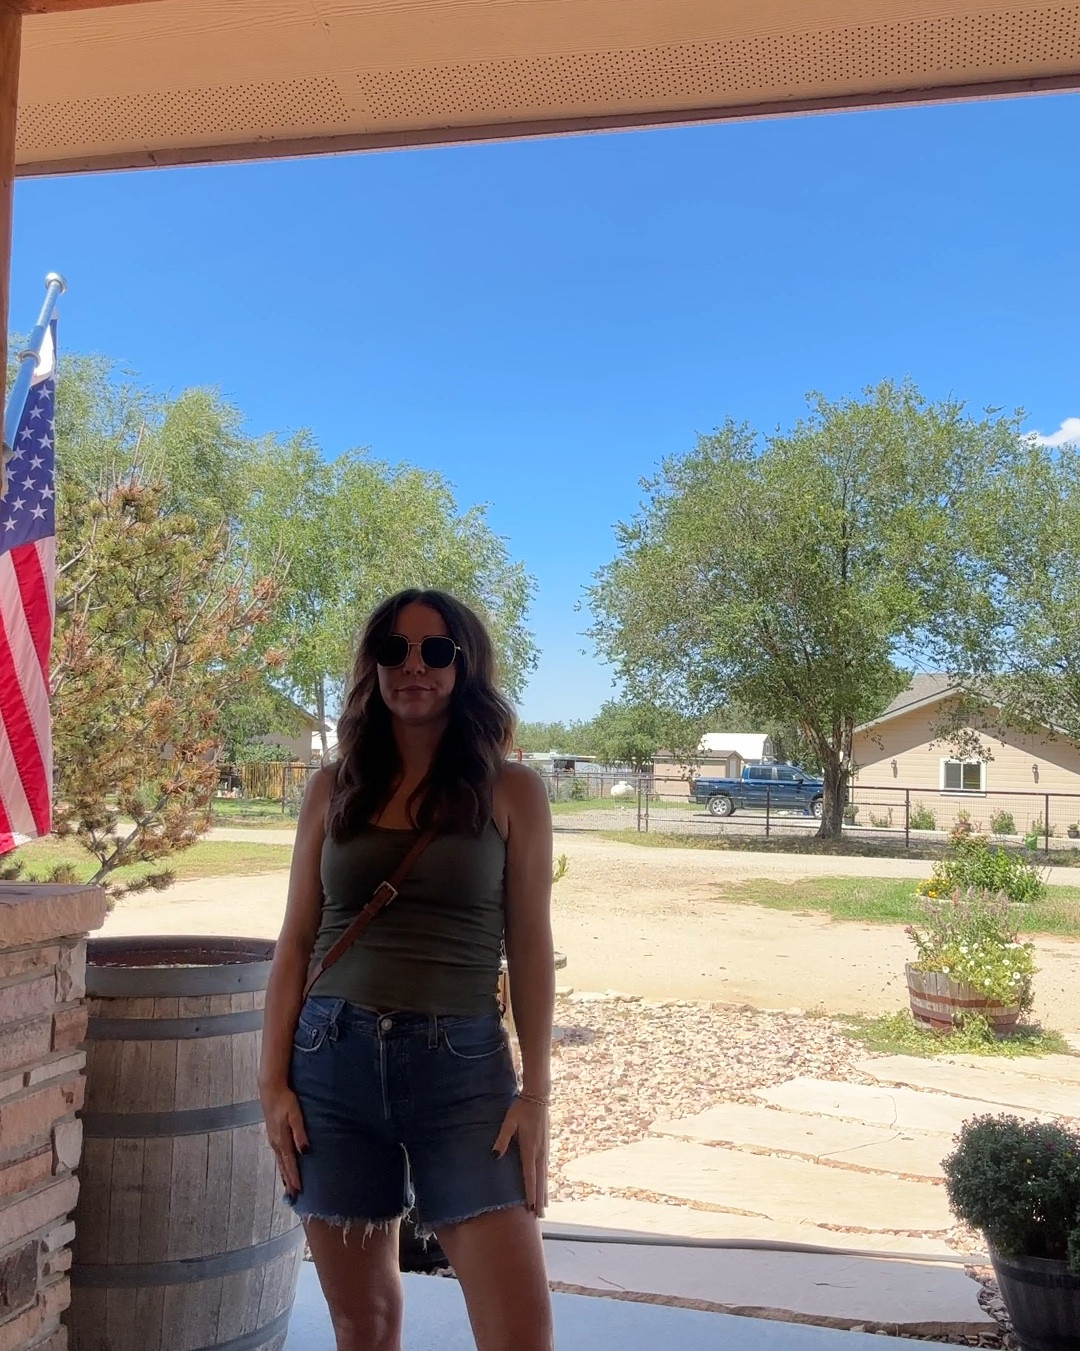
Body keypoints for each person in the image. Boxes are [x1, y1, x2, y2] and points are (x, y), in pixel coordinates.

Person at [259, 588, 556, 1351]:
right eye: (394, 649)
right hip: (331, 1062)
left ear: (466, 665)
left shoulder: (511, 789)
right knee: (365, 1324)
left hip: (462, 1071)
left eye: (435, 649)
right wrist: (272, 1084)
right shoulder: (332, 788)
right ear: (373, 667)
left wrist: (537, 1095)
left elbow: (528, 945)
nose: (413, 665)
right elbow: (295, 940)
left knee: (519, 1332)